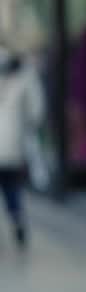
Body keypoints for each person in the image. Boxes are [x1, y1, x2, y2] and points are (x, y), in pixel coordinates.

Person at [0, 45, 45, 250]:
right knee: (12, 188)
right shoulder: (23, 79)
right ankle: (17, 221)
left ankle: (16, 222)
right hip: (12, 149)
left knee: (11, 186)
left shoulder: (23, 79)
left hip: (11, 149)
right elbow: (36, 112)